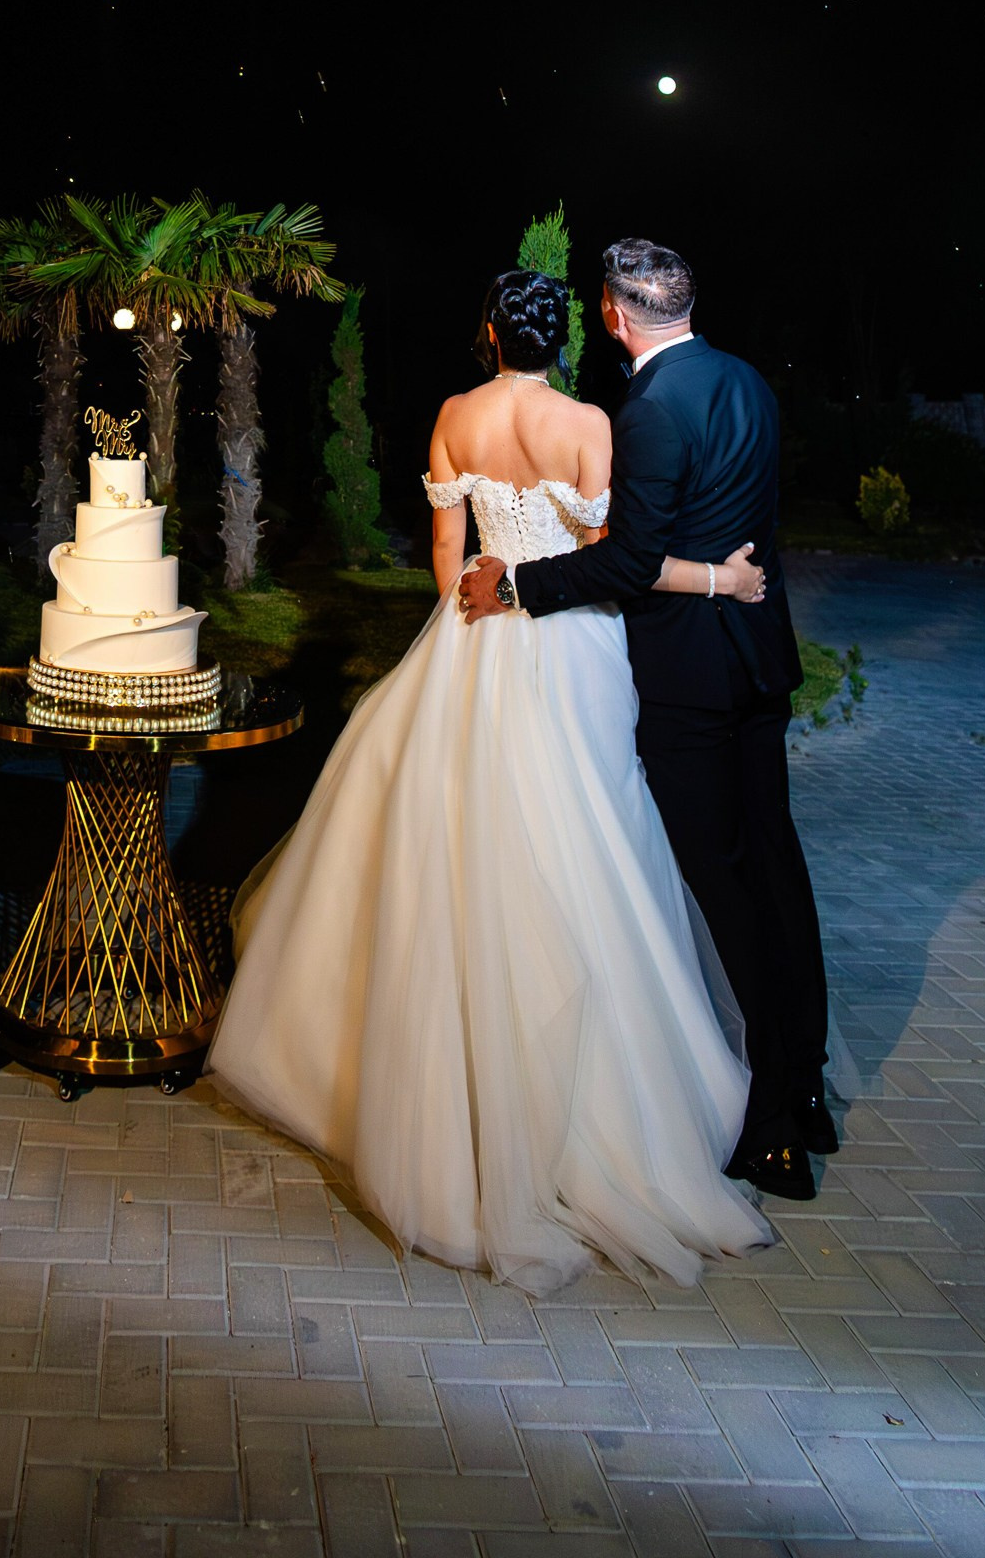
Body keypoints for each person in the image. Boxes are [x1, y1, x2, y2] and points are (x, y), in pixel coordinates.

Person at [208, 267, 773, 1291]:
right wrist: (721, 578)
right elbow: (618, 564)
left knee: (454, 859)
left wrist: (466, 619)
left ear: (485, 332)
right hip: (572, 653)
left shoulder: (453, 415)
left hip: (468, 642)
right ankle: (585, 1115)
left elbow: (444, 546)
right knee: (578, 852)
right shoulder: (589, 423)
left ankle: (449, 1105)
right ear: (560, 336)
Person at [459, 239, 833, 1199]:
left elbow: (628, 564)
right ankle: (811, 1082)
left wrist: (517, 586)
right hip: (759, 657)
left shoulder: (652, 411)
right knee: (779, 866)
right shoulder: (747, 381)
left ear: (617, 317)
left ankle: (777, 1121)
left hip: (694, 682)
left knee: (726, 887)